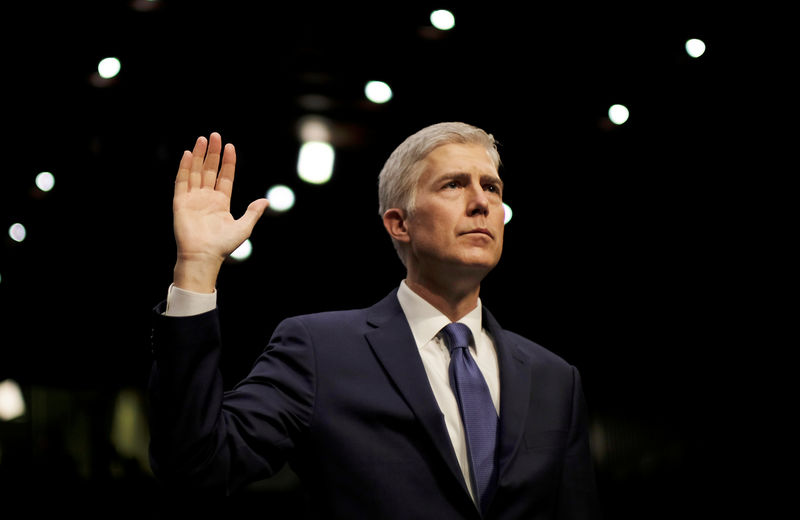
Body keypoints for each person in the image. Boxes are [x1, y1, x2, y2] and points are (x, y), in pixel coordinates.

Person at [148, 122, 601, 519]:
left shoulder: (556, 380)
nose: (482, 203)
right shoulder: (320, 351)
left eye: (492, 187)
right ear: (398, 223)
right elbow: (196, 466)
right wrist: (196, 267)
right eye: (453, 185)